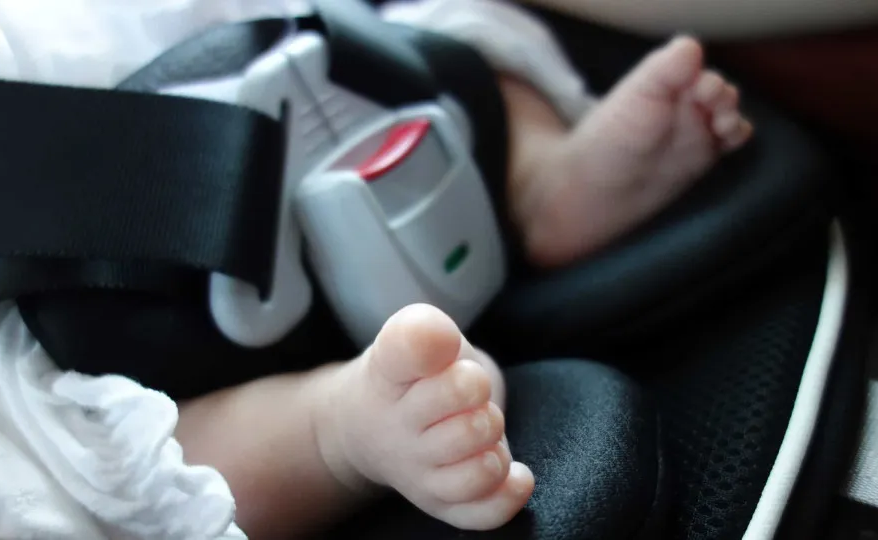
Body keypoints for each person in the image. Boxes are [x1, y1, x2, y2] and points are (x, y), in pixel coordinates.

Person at [173, 28, 753, 540]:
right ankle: (334, 429)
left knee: (454, 28)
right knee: (143, 461)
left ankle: (534, 180)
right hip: (182, 294)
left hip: (366, 72)